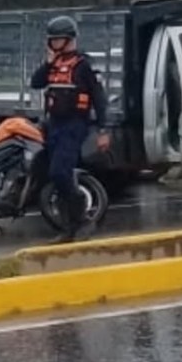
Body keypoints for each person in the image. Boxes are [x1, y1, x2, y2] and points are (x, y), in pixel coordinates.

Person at [31, 16, 111, 241]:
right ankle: (68, 227)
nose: (53, 43)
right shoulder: (53, 64)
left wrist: (103, 130)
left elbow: (99, 98)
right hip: (54, 124)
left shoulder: (84, 65)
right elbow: (35, 82)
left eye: (57, 39)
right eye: (51, 40)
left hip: (74, 125)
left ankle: (83, 219)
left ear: (68, 39)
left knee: (60, 171)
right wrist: (48, 63)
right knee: (54, 175)